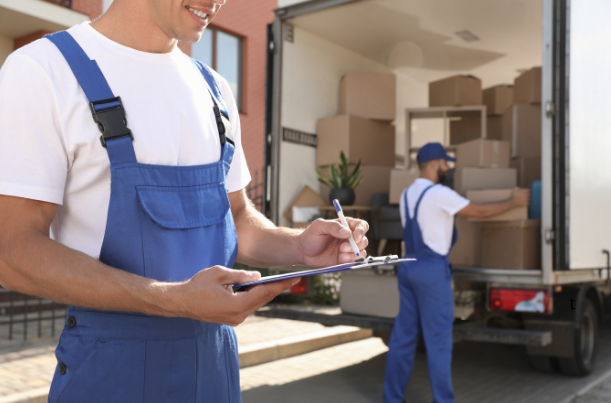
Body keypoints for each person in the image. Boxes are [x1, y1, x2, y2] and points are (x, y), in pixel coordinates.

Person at [0, 1, 369, 401]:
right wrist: (173, 300)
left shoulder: (215, 90)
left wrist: (299, 245)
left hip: (213, 370)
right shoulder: (43, 71)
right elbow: (12, 253)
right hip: (108, 375)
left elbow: (238, 217)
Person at [383, 142, 530, 403]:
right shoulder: (439, 193)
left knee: (403, 337)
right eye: (445, 163)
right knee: (438, 342)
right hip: (431, 271)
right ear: (433, 164)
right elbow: (480, 212)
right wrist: (513, 201)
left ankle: (392, 398)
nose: (447, 168)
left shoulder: (407, 195)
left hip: (408, 267)